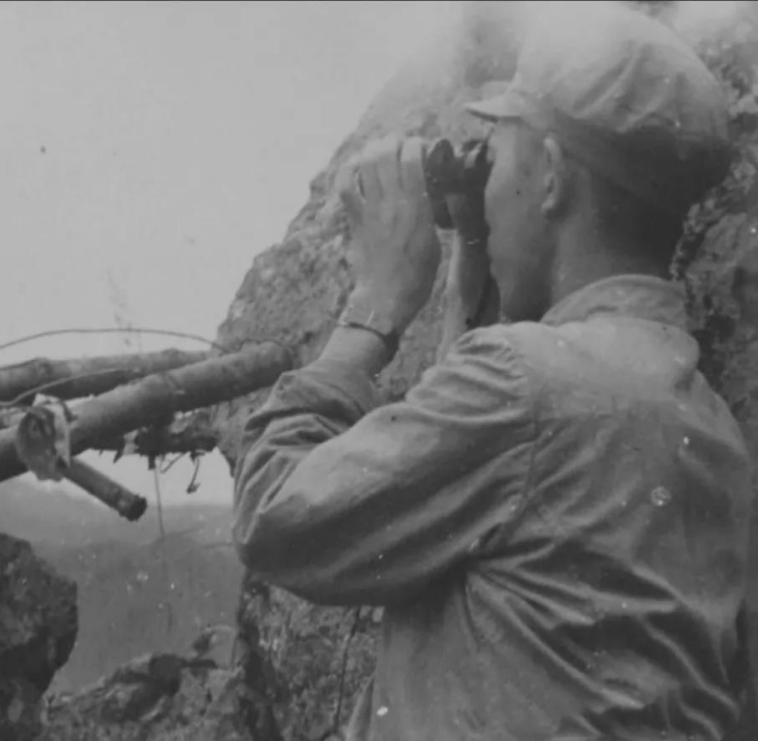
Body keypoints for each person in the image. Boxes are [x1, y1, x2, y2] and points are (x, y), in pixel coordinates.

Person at [232, 2, 753, 740]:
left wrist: (372, 312)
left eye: (497, 156)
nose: (487, 186)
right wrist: (471, 272)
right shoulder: (713, 432)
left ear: (550, 177)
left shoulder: (521, 386)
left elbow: (275, 516)